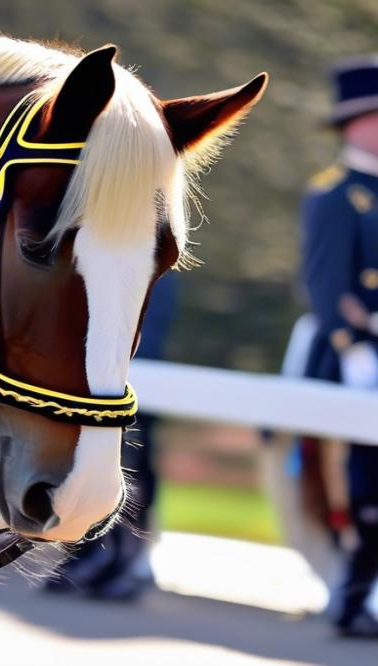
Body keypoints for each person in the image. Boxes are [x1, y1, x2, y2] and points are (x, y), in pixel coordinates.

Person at [300, 54, 378, 638]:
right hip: (356, 357)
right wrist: (354, 347)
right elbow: (327, 284)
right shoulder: (334, 194)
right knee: (362, 485)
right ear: (354, 123)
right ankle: (351, 600)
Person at [45, 272, 177, 601]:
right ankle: (88, 551)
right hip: (98, 357)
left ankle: (126, 557)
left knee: (131, 461)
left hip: (133, 362)